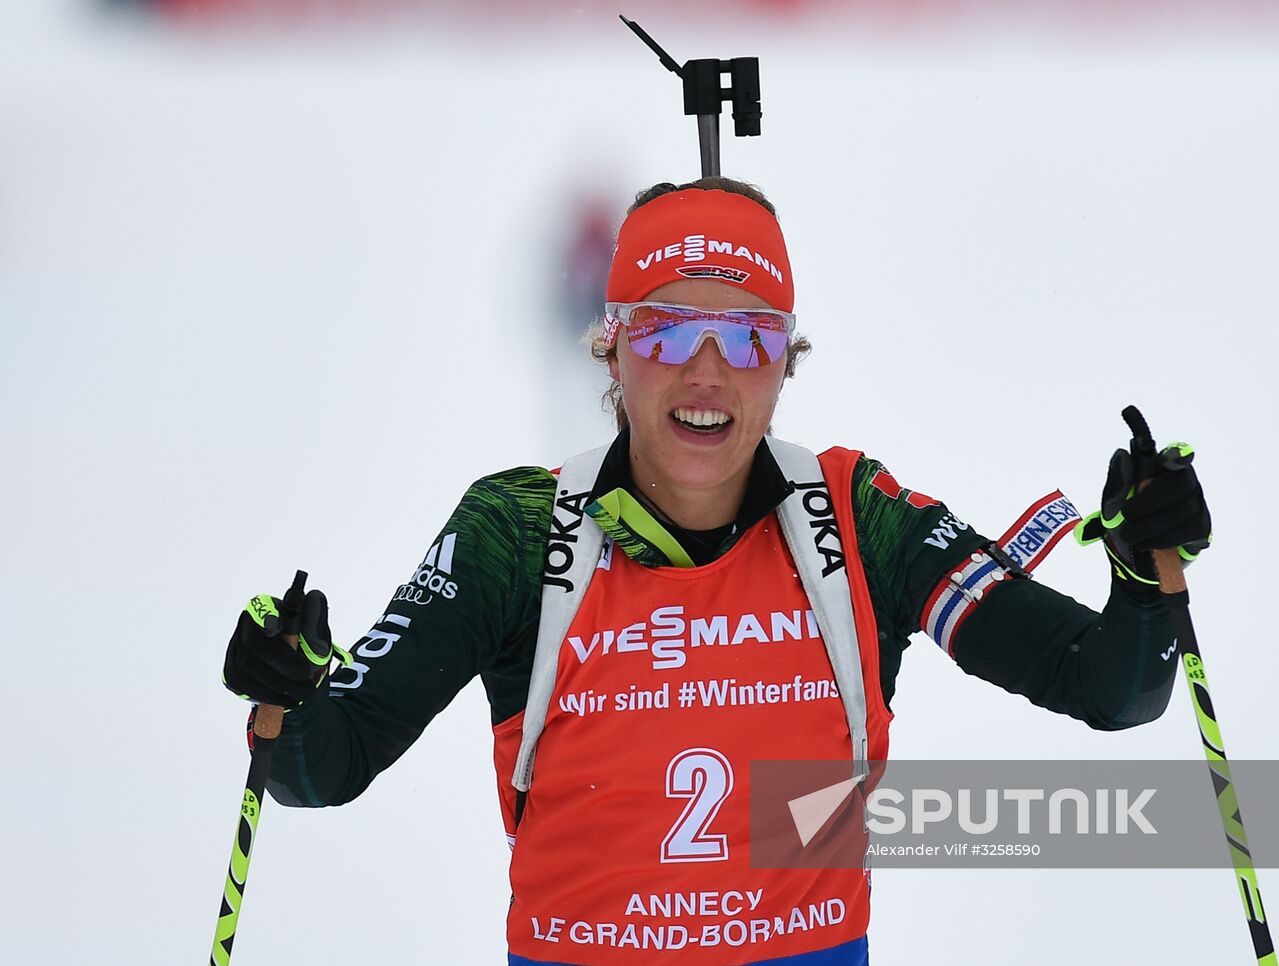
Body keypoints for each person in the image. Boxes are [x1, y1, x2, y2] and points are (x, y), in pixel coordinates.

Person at [223, 176, 1211, 965]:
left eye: (746, 335)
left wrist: (1139, 573)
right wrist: (288, 696)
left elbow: (1108, 688)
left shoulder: (855, 518)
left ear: (787, 361)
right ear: (610, 349)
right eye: (662, 330)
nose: (705, 370)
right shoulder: (515, 532)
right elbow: (321, 764)